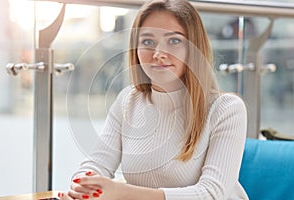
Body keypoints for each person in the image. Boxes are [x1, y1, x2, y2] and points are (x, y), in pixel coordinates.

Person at [59, 0, 248, 199]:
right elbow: (95, 164)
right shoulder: (128, 101)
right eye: (148, 42)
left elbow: (211, 194)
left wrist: (121, 193)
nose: (158, 54)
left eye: (174, 41)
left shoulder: (226, 109)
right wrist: (85, 188)